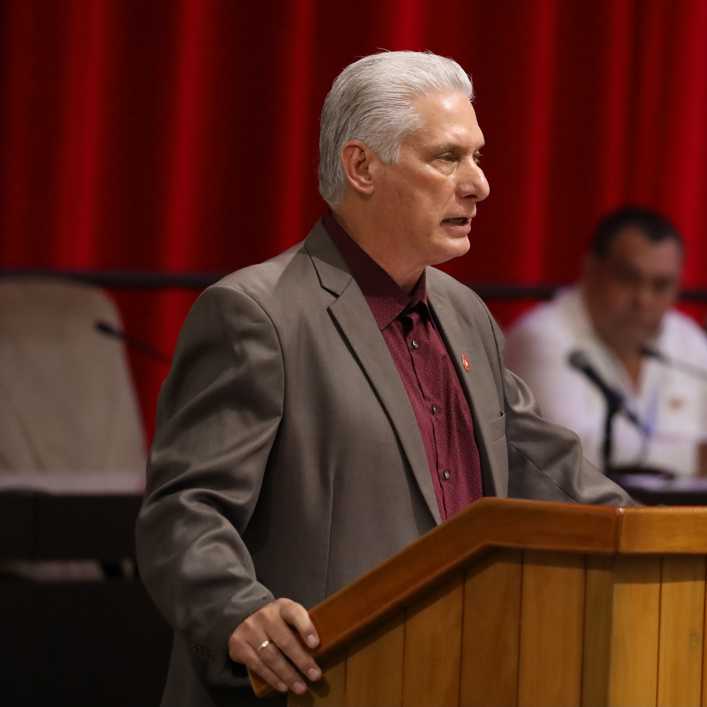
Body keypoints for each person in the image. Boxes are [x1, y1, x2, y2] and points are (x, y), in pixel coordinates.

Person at [135, 51, 632, 707]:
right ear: (362, 166)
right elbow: (183, 512)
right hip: (311, 687)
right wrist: (239, 612)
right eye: (447, 158)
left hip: (458, 676)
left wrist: (660, 541)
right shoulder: (256, 315)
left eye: (478, 156)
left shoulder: (464, 313)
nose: (479, 183)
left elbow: (539, 461)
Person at [504, 206, 707, 478]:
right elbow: (565, 453)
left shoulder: (685, 337)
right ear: (591, 271)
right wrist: (695, 459)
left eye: (660, 286)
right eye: (628, 280)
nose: (644, 299)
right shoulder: (541, 336)